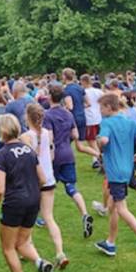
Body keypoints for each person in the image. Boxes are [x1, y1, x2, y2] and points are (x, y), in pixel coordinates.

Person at [0, 114, 57, 272]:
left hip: (14, 202)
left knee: (8, 248)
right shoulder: (29, 151)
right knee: (23, 242)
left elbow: (0, 189)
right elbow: (42, 179)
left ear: (1, 131)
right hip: (33, 200)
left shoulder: (1, 155)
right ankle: (40, 262)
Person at [93, 93, 136, 260]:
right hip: (127, 170)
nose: (100, 111)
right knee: (112, 207)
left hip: (115, 172)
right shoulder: (128, 121)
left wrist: (99, 141)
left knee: (121, 208)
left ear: (108, 107)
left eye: (101, 108)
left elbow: (104, 140)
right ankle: (110, 243)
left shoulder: (106, 123)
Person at [44, 84, 97, 238]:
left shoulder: (47, 115)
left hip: (55, 156)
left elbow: (49, 138)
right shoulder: (68, 114)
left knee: (46, 188)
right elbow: (75, 135)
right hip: (68, 154)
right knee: (71, 187)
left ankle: (43, 217)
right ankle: (85, 214)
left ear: (50, 97)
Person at [22, 103, 69, 269]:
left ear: (27, 117)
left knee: (27, 218)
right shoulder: (48, 133)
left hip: (34, 180)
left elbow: (29, 159)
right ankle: (60, 253)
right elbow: (52, 155)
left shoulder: (26, 137)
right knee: (48, 217)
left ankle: (27, 250)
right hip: (49, 178)